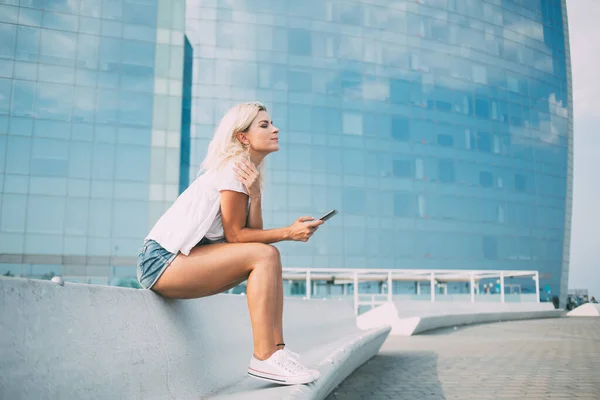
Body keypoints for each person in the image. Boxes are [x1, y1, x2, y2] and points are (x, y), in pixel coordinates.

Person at [136, 101, 324, 385]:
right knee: (266, 255)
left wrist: (256, 196)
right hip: (161, 261)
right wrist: (289, 232)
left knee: (268, 255)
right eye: (264, 125)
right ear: (243, 137)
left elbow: (251, 237)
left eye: (272, 124)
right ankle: (264, 357)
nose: (275, 129)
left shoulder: (247, 174)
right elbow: (237, 237)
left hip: (183, 261)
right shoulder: (233, 169)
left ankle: (276, 351)